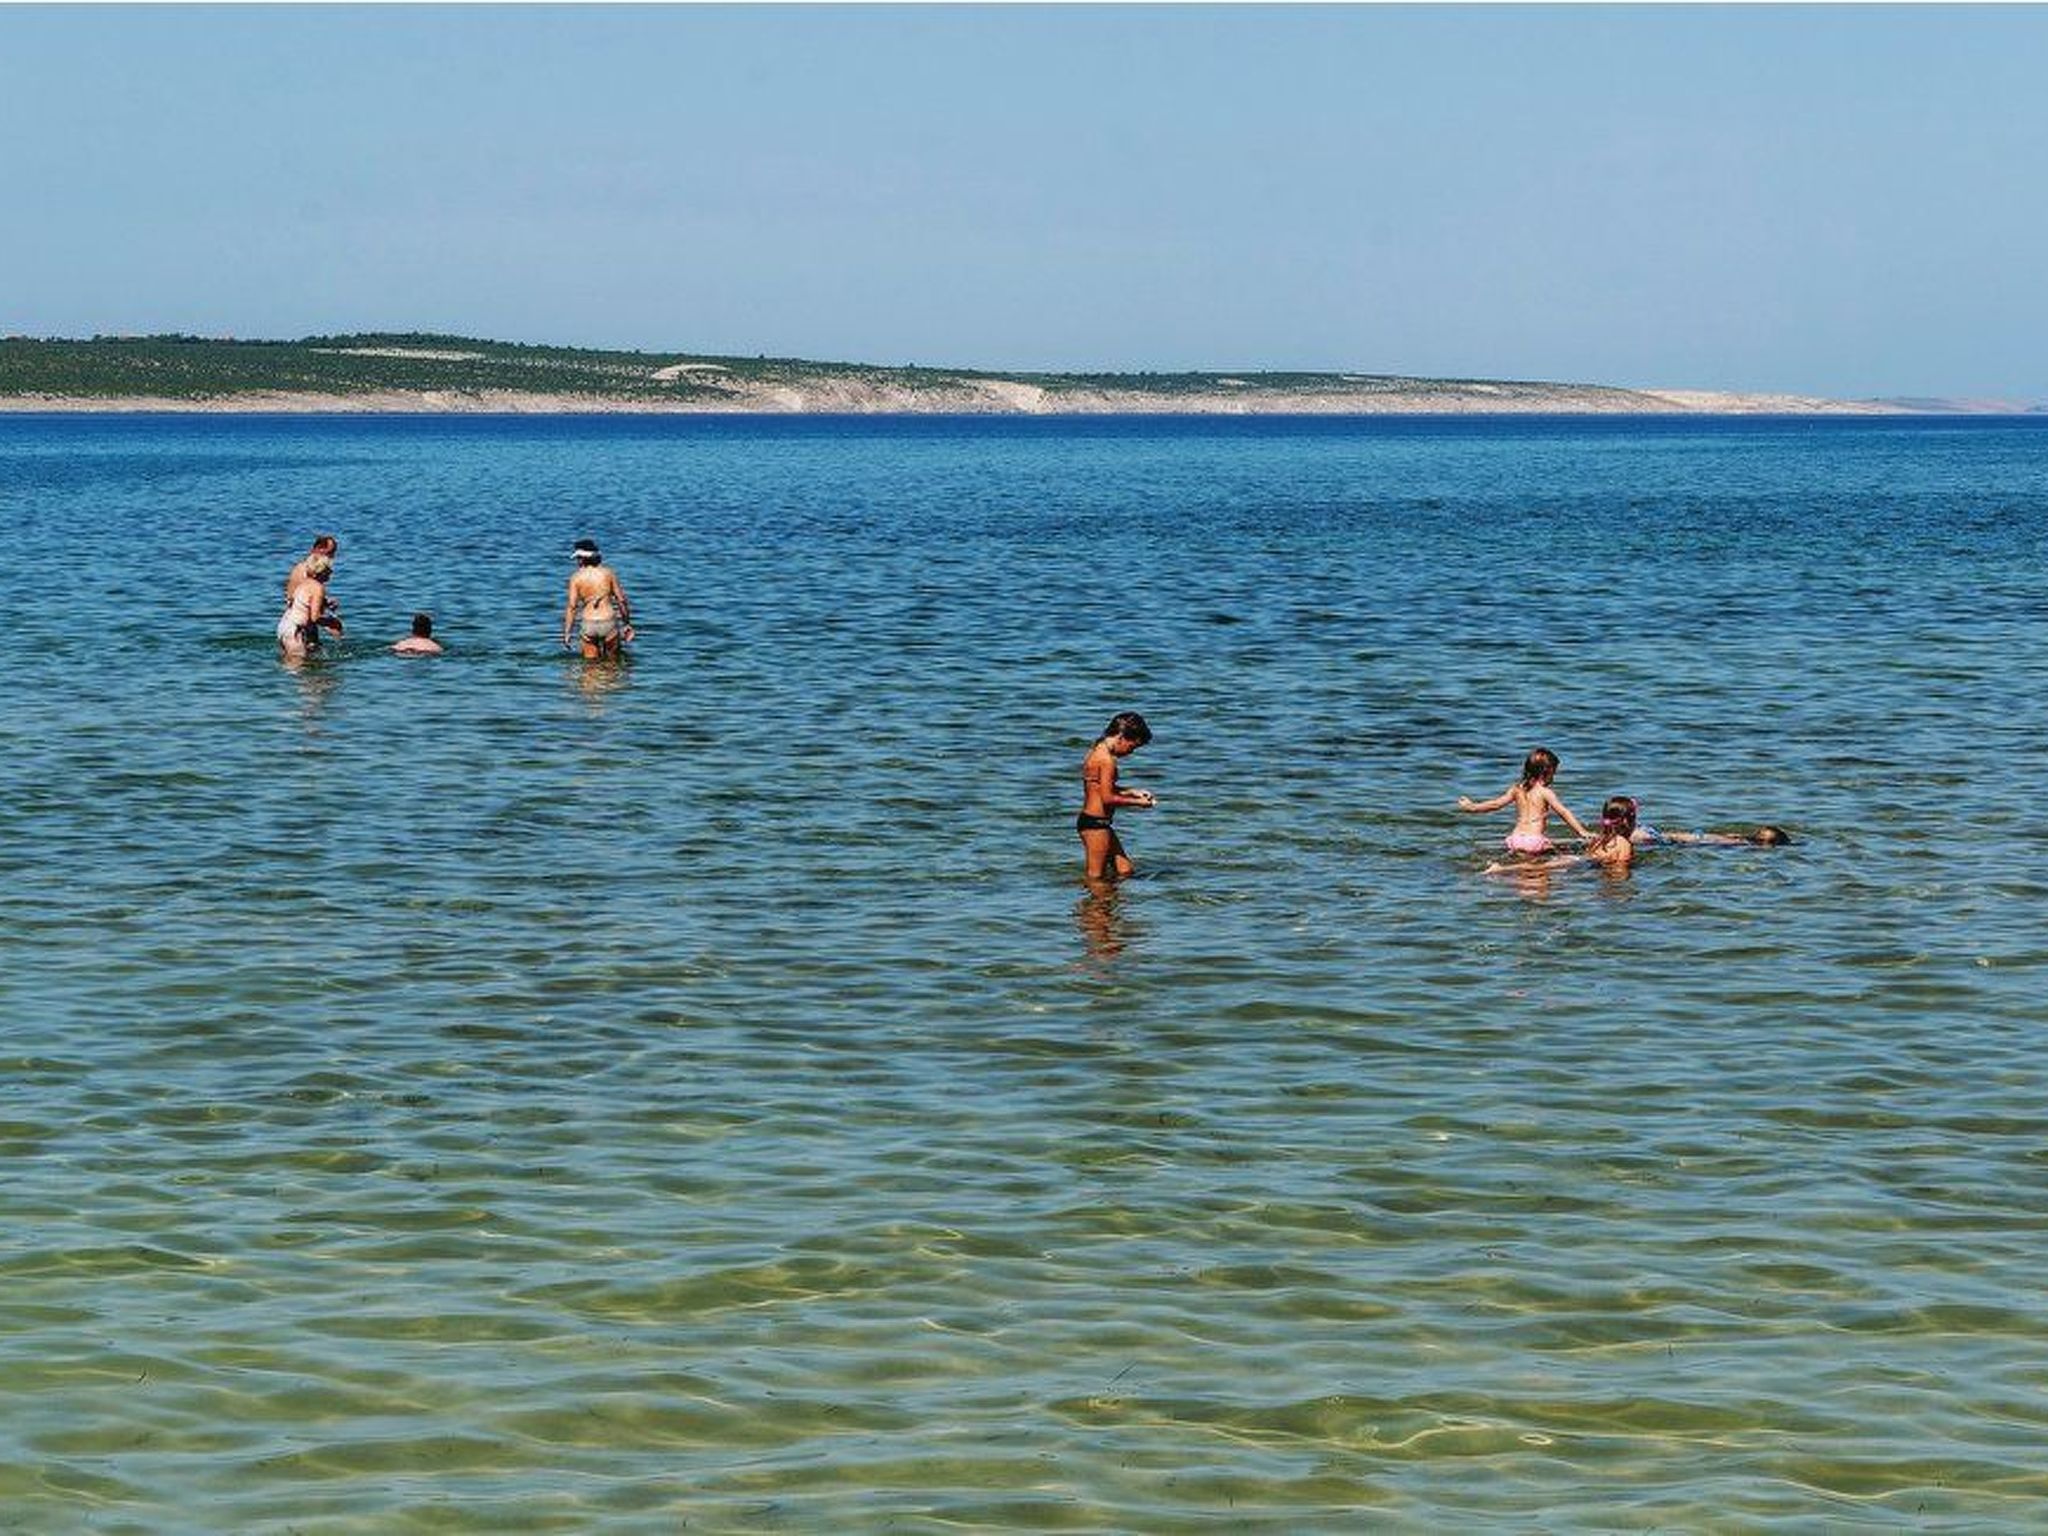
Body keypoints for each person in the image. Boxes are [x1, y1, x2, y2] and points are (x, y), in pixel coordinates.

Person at [1458, 747, 1591, 855]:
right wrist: (1581, 832)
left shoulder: (1517, 789)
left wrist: (1472, 807)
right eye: (1554, 773)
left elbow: (1496, 804)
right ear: (1547, 771)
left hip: (1515, 839)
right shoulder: (1545, 792)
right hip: (1534, 841)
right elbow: (1563, 812)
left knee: (1526, 866)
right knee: (1561, 857)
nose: (1554, 777)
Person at [1077, 711, 1156, 880]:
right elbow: (1107, 798)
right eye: (1132, 746)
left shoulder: (1096, 749)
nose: (1131, 752)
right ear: (1121, 737)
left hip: (1096, 822)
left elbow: (1099, 788)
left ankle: (1108, 904)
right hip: (1096, 825)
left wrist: (1131, 791)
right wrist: (1139, 803)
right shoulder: (1107, 760)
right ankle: (1093, 905)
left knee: (1125, 870)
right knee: (1095, 878)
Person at [1488, 794, 1637, 876]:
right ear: (1626, 822)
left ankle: (1503, 868)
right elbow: (1620, 870)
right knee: (1540, 868)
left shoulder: (1601, 839)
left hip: (1580, 860)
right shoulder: (1623, 843)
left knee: (1541, 866)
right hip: (1582, 863)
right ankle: (1501, 870)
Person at [562, 539, 634, 660]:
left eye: (578, 558)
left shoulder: (576, 578)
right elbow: (621, 600)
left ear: (582, 559)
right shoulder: (608, 573)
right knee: (613, 663)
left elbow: (572, 607)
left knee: (590, 667)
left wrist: (567, 633)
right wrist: (627, 624)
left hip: (588, 623)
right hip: (608, 621)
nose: (577, 562)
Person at [277, 553, 341, 660]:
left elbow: (300, 602)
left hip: (284, 627)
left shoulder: (304, 583)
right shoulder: (318, 588)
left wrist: (325, 603)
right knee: (298, 666)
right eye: (328, 569)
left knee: (294, 668)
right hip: (294, 630)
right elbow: (314, 617)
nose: (331, 572)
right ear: (322, 571)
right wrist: (331, 623)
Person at [286, 535, 341, 628]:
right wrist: (331, 623)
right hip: (299, 623)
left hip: (296, 621)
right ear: (317, 549)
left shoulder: (311, 569)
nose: (332, 557)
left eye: (333, 553)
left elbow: (305, 597)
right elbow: (294, 600)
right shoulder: (305, 570)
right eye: (329, 553)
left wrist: (325, 602)